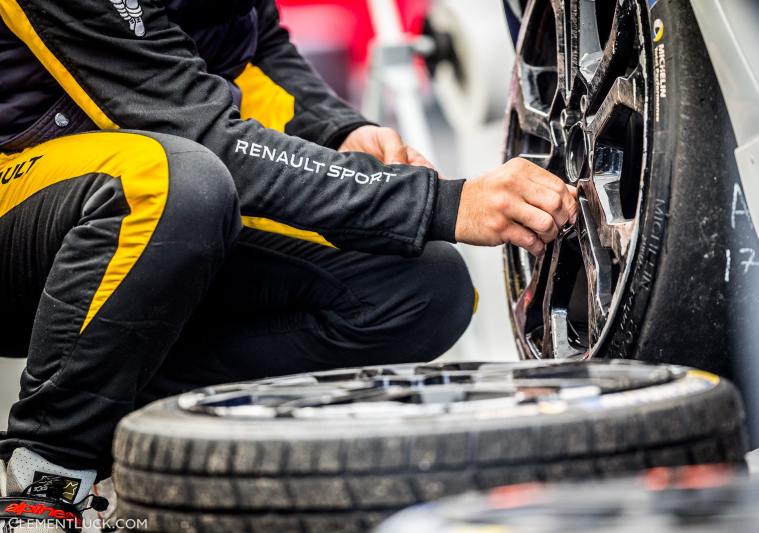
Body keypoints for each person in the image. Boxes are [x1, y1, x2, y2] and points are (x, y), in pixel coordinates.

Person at [0, 0, 577, 516]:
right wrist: (446, 202)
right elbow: (203, 133)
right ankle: (45, 484)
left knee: (423, 288)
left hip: (139, 182)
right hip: (29, 204)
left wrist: (338, 129)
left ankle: (129, 422)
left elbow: (255, 45)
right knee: (175, 183)